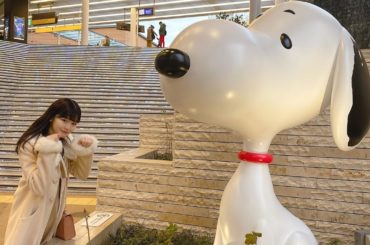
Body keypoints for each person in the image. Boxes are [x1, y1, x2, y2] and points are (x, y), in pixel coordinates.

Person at [4, 98, 98, 245]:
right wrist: (47, 150)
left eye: (73, 123)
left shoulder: (65, 143)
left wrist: (85, 151)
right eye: (64, 120)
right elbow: (39, 187)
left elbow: (82, 174)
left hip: (52, 217)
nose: (68, 127)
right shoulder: (30, 144)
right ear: (51, 117)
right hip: (31, 215)